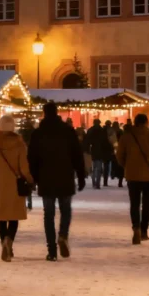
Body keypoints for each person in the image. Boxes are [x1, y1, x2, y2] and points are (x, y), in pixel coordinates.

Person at [29, 103, 86, 261]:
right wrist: (81, 176)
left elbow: (32, 158)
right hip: (65, 176)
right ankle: (63, 235)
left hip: (45, 177)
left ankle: (52, 250)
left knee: (48, 214)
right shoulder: (68, 132)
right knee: (66, 210)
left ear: (44, 113)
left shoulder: (38, 133)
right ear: (57, 113)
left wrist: (32, 178)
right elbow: (77, 155)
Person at [0, 115, 33, 262]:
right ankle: (9, 240)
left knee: (1, 217)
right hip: (15, 185)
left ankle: (3, 240)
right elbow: (24, 167)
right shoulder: (19, 144)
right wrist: (29, 180)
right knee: (13, 216)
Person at [117, 114, 149, 245]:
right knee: (147, 203)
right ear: (147, 122)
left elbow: (119, 155)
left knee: (135, 203)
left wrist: (126, 165)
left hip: (132, 174)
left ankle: (135, 227)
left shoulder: (127, 136)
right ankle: (144, 231)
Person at [86, 119, 112, 189]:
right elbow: (106, 142)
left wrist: (87, 150)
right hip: (101, 151)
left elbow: (87, 141)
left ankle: (94, 182)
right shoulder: (102, 131)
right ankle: (97, 183)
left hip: (93, 151)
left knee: (94, 168)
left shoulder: (90, 130)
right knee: (99, 168)